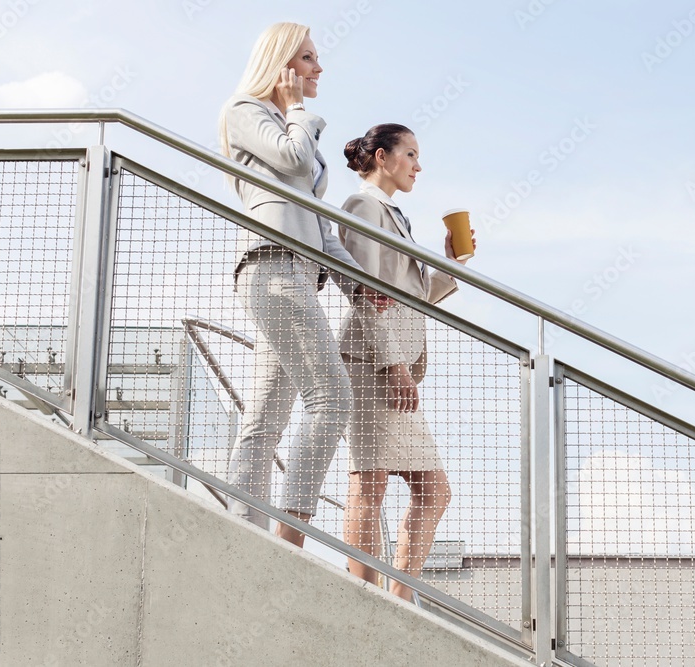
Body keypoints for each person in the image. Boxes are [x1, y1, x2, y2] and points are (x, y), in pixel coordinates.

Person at [218, 22, 386, 546]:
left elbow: (315, 223)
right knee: (332, 398)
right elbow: (290, 158)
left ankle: (241, 534)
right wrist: (295, 110)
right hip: (273, 268)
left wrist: (357, 285)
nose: (319, 68)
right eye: (309, 58)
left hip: (297, 272)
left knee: (264, 418)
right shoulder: (245, 111)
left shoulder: (289, 125)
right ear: (283, 65)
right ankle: (290, 535)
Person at [338, 124, 475, 600]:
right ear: (382, 157)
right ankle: (366, 598)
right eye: (411, 154)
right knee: (368, 483)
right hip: (374, 364)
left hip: (395, 366)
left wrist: (451, 264)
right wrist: (394, 364)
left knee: (433, 491)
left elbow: (411, 299)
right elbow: (364, 294)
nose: (419, 165)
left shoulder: (394, 216)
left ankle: (397, 597)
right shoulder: (363, 207)